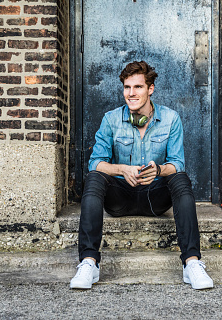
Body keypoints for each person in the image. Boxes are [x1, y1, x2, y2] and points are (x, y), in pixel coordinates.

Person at [70, 61, 213, 290]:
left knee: (180, 179)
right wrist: (121, 169)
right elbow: (95, 163)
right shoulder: (111, 119)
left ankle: (192, 263)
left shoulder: (170, 119)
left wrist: (158, 170)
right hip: (120, 198)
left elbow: (177, 164)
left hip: (154, 197)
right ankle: (89, 262)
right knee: (95, 178)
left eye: (137, 87)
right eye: (127, 87)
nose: (131, 93)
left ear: (150, 89)